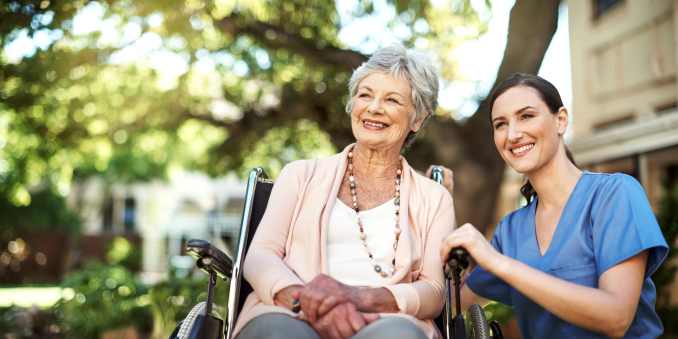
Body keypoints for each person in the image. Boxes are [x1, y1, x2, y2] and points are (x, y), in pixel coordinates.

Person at [234, 44, 455, 339]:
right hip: (291, 314)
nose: (374, 107)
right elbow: (260, 256)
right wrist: (309, 303)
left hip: (386, 323)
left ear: (418, 119)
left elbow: (433, 291)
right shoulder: (299, 175)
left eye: (392, 100)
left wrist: (355, 297)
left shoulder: (434, 198)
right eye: (365, 94)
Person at [440, 73, 669, 338]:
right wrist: (437, 206)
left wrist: (500, 263)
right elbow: (450, 304)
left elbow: (616, 317)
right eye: (501, 124)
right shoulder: (512, 230)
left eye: (526, 116)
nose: (512, 134)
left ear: (560, 120)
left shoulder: (614, 194)